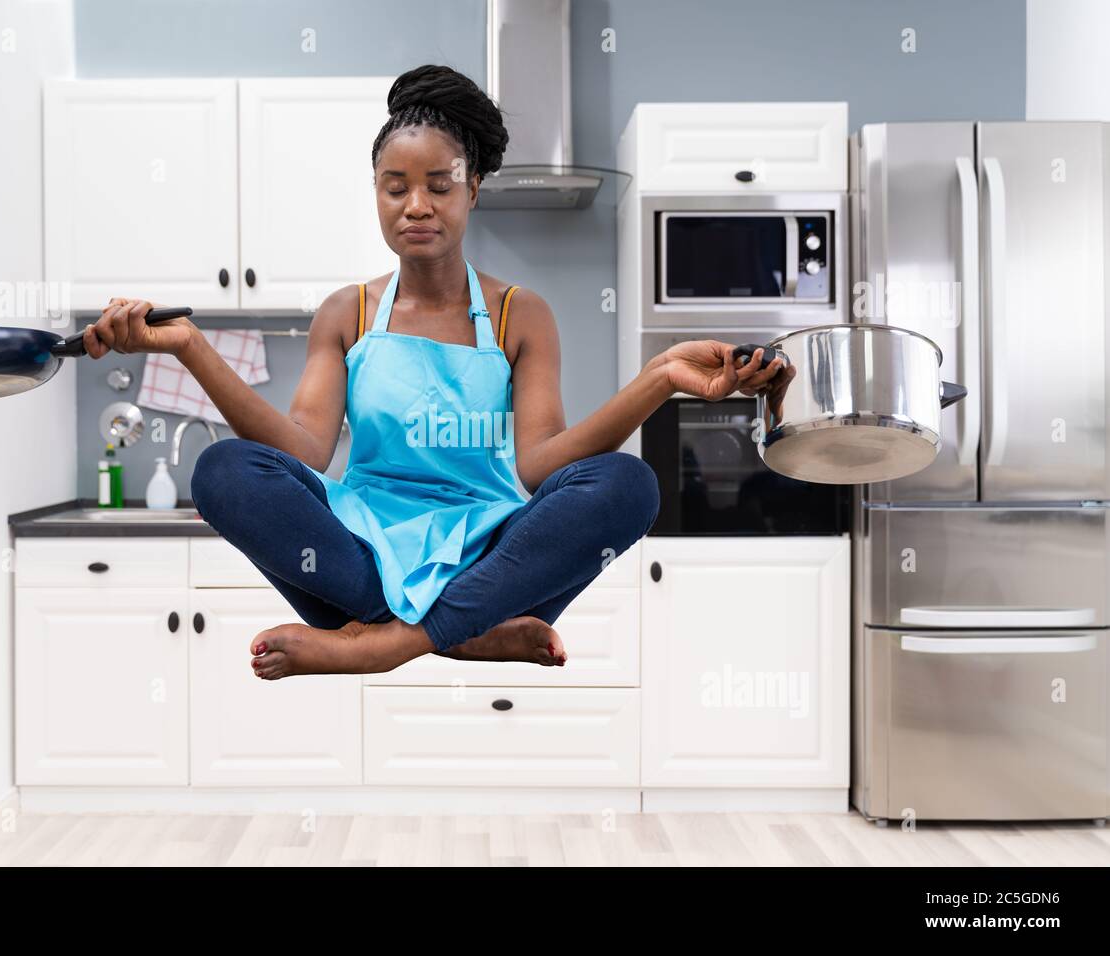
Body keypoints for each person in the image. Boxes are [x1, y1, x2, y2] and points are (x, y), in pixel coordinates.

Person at [80, 65, 787, 680]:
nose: (416, 205)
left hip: (490, 553)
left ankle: (387, 642)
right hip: (361, 553)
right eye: (395, 188)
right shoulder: (346, 312)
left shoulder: (521, 314)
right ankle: (463, 636)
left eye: (438, 185)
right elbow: (301, 453)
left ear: (473, 189)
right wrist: (191, 347)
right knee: (224, 472)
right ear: (377, 195)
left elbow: (541, 468)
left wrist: (659, 376)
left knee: (628, 485)